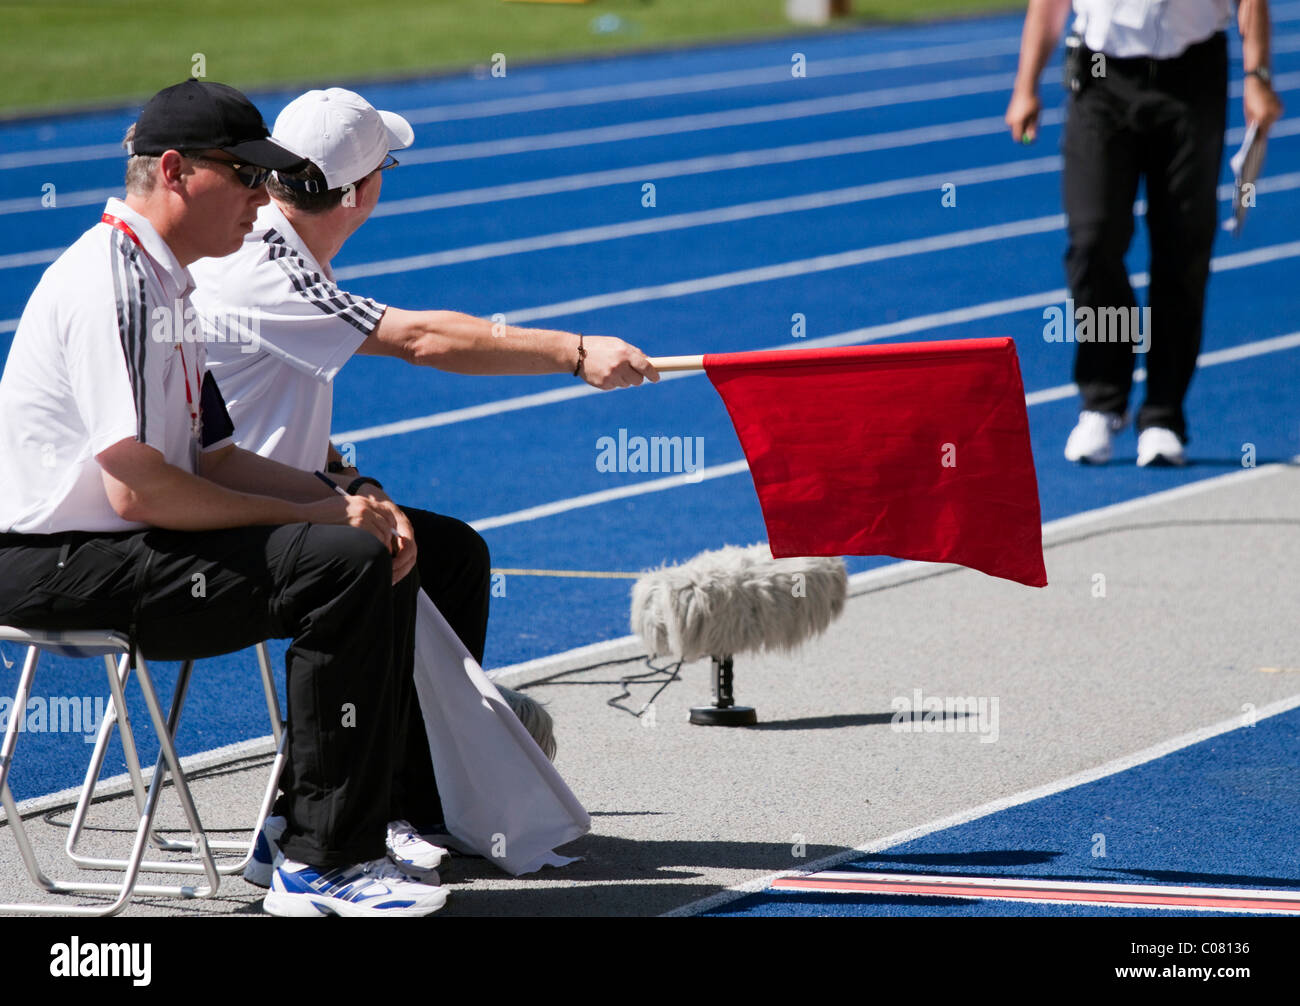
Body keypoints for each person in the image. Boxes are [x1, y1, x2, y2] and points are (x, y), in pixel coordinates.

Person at [0, 79, 449, 918]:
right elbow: (137, 490)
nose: (262, 195)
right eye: (245, 174)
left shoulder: (167, 281)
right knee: (339, 563)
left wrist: (342, 492)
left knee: (371, 537)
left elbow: (218, 458)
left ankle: (346, 823)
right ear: (175, 171)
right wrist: (320, 516)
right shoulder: (118, 285)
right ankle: (319, 859)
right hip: (53, 561)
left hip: (108, 545)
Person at [188, 89, 653, 863]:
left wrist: (351, 480)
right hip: (222, 512)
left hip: (264, 486)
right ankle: (311, 821)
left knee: (451, 555)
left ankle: (412, 801)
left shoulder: (277, 250)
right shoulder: (265, 261)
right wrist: (574, 351)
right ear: (364, 189)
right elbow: (423, 340)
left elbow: (262, 407)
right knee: (375, 562)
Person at [1005, 0, 1283, 465]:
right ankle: (1102, 400)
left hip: (1192, 76)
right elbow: (1048, 4)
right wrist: (1024, 85)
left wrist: (1258, 76)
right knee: (1093, 239)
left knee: (1183, 245)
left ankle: (1162, 414)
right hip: (1101, 74)